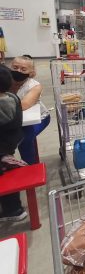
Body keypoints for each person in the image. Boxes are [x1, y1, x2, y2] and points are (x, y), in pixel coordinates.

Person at [10, 56, 50, 164]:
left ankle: (30, 167)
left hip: (40, 118)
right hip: (15, 119)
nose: (18, 71)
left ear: (31, 73)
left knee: (24, 139)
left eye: (23, 69)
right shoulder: (6, 81)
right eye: (15, 67)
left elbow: (24, 105)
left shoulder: (34, 86)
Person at [0, 65, 27, 221]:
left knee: (5, 173)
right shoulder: (13, 98)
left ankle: (13, 210)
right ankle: (13, 208)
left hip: (3, 150)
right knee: (8, 171)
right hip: (9, 146)